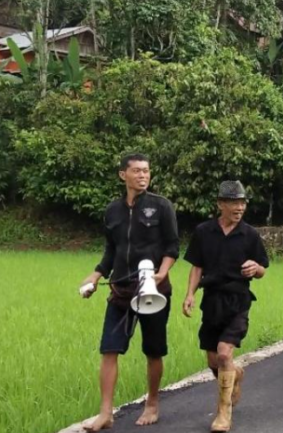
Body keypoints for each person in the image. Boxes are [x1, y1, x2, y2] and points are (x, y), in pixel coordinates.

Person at [80, 153, 178, 431]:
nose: (143, 175)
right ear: (123, 175)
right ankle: (105, 413)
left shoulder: (162, 206)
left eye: (146, 171)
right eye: (136, 171)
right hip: (121, 290)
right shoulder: (112, 210)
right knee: (109, 349)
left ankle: (153, 403)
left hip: (153, 291)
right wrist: (97, 274)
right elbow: (112, 250)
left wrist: (162, 272)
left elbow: (172, 246)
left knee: (153, 350)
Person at [182, 181, 270, 432]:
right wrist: (190, 294)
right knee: (213, 361)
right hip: (211, 300)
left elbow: (262, 268)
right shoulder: (203, 232)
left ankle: (224, 412)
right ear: (220, 204)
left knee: (223, 354)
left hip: (238, 300)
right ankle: (235, 375)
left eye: (242, 203)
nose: (239, 207)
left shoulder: (250, 235)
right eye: (234, 202)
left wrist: (256, 269)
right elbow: (196, 266)